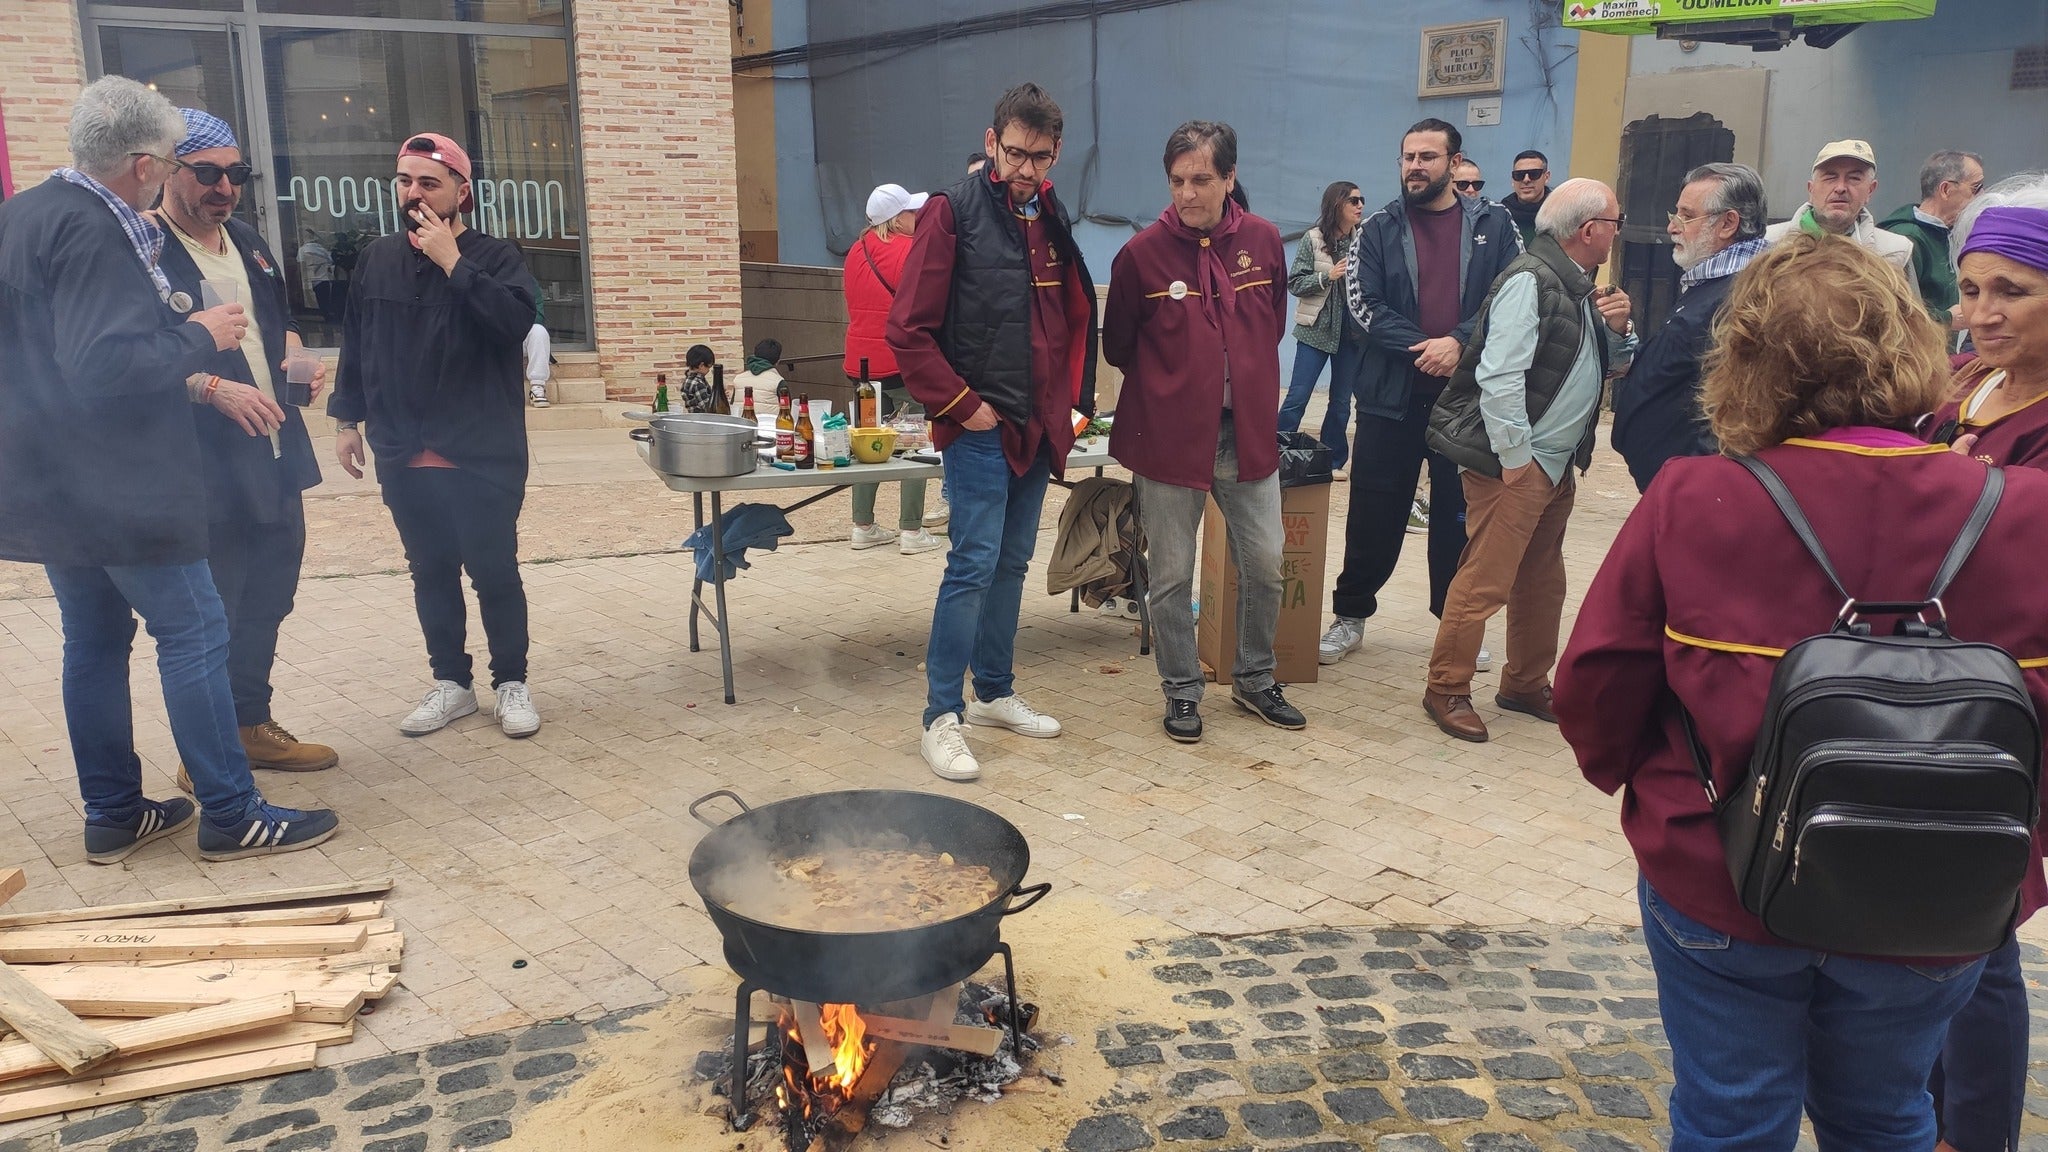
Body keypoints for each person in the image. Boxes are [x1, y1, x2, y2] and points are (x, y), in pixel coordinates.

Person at [1554, 233, 2048, 1152]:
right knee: (1886, 1115)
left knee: (1730, 1114)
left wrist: (1651, 791)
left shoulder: (1696, 495)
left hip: (1722, 870)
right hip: (1938, 888)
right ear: (1914, 349)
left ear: (1747, 363)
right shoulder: (2024, 508)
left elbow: (1594, 686)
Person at [0, 76, 339, 862]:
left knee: (92, 642)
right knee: (194, 631)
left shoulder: (23, 215)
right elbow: (102, 367)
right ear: (147, 164)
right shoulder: (96, 230)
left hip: (54, 482)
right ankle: (231, 812)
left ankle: (115, 813)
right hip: (122, 483)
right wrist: (205, 339)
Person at [888, 82, 1097, 783]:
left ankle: (996, 691)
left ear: (1056, 153)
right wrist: (959, 403)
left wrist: (1070, 404)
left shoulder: (1049, 213)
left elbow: (1065, 317)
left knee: (1010, 564)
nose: (1025, 169)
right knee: (971, 565)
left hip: (1038, 424)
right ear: (990, 142)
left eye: (1039, 157)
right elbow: (908, 332)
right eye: (1014, 153)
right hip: (979, 423)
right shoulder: (952, 212)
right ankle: (940, 716)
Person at [329, 132, 544, 739]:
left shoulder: (497, 257)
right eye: (405, 181)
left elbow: (511, 324)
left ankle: (511, 682)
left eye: (429, 182)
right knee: (430, 571)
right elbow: (357, 342)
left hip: (479, 450)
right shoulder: (377, 258)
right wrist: (348, 420)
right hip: (402, 448)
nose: (414, 193)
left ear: (461, 191)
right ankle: (451, 683)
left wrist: (453, 261)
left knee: (494, 571)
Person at [153, 107, 337, 788]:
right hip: (203, 461)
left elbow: (278, 323)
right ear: (172, 169)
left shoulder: (249, 241)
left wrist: (300, 362)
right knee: (215, 609)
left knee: (270, 592)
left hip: (274, 449)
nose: (223, 187)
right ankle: (203, 754)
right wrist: (209, 387)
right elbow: (130, 360)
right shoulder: (146, 249)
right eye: (207, 173)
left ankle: (250, 725)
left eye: (236, 174)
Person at [1920, 175, 2048, 1152]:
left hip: (2009, 699)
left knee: (1978, 931)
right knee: (1921, 921)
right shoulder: (1964, 383)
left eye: (2009, 289)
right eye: (1968, 289)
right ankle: (1915, 1113)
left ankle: (1974, 1135)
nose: (1979, 313)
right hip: (1920, 686)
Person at [1103, 120, 1304, 743]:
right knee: (1169, 576)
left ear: (1230, 178)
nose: (1186, 194)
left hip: (1246, 436)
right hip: (1167, 441)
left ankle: (1254, 678)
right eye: (1176, 181)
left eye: (1201, 180)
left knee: (1267, 564)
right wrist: (1179, 383)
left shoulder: (1265, 242)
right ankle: (1182, 690)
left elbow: (1269, 326)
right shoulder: (1140, 256)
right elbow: (1119, 346)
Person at [1423, 179, 1635, 742]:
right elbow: (1498, 375)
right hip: (1519, 466)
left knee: (1541, 582)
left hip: (1554, 462)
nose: (1618, 230)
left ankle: (1524, 683)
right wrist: (1516, 457)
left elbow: (1605, 366)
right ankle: (1446, 687)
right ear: (1589, 230)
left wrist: (1619, 332)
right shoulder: (1531, 280)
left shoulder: (1579, 285)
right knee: (1485, 580)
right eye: (1615, 221)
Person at [1319, 118, 1521, 667]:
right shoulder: (1377, 228)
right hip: (1390, 398)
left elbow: (1511, 296)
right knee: (1373, 512)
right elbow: (1364, 309)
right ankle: (1351, 614)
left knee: (1458, 516)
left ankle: (1451, 622)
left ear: (1455, 164)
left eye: (1428, 157)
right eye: (1408, 157)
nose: (1415, 166)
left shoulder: (1496, 224)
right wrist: (1428, 348)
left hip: (1466, 399)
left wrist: (1458, 343)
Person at [1611, 162, 1771, 492]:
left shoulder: (1747, 295)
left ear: (1728, 223)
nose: (1672, 227)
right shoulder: (1712, 283)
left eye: (1686, 215)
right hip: (1676, 485)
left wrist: (1698, 485)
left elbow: (1737, 405)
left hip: (1695, 491)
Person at [843, 183, 940, 555]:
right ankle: (911, 530)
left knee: (867, 441)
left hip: (860, 363)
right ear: (897, 218)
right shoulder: (909, 250)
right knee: (914, 443)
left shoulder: (855, 251)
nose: (917, 217)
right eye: (912, 212)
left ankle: (862, 525)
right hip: (899, 362)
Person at [1277, 181, 1363, 472]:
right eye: (1353, 200)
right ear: (1336, 204)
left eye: (1361, 200)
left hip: (1350, 336)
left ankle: (1333, 462)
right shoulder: (1312, 239)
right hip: (1314, 332)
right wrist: (1328, 277)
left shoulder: (1362, 241)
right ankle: (1276, 453)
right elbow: (1295, 283)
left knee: (1341, 405)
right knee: (1297, 398)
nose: (1360, 205)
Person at [1763, 139, 1915, 282]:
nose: (1841, 188)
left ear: (1870, 190)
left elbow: (1910, 310)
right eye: (1830, 177)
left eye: (1854, 178)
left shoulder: (1895, 252)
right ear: (1811, 189)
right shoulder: (1766, 243)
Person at [1881, 149, 1984, 327]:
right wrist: (1946, 319)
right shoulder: (1906, 239)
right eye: (1975, 189)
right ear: (1946, 190)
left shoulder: (1950, 233)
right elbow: (1891, 310)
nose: (1982, 197)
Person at [1505, 149, 1550, 246]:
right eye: (1519, 175)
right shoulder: (1501, 215)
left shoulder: (1560, 213)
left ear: (1546, 177)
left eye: (1534, 174)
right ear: (1512, 179)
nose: (1526, 180)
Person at [731, 338, 783, 403]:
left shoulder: (738, 380)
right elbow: (787, 409)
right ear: (778, 362)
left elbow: (733, 408)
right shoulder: (779, 382)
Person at [678, 343, 718, 412]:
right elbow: (708, 407)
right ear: (701, 365)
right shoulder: (697, 384)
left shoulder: (688, 379)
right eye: (708, 367)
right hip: (702, 419)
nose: (708, 370)